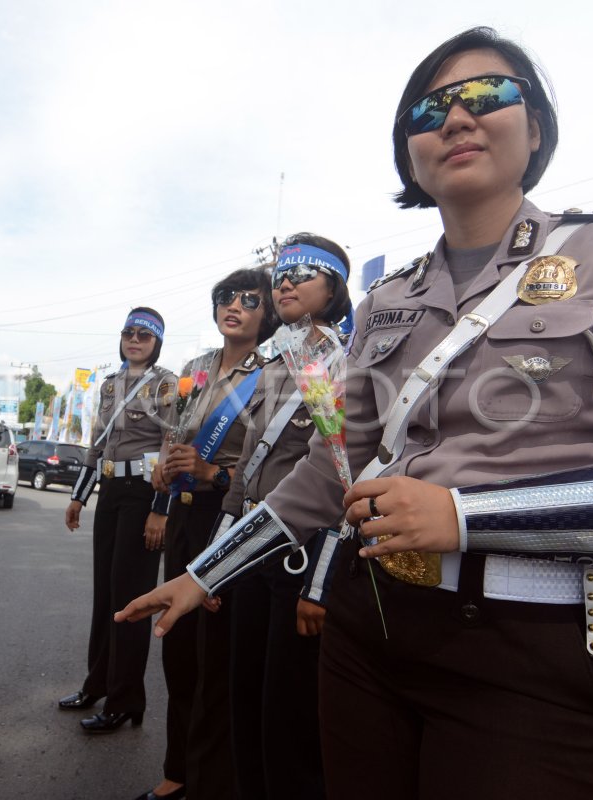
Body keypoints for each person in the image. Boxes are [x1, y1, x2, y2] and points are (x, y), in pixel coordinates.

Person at [117, 26, 593, 800]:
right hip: (370, 627)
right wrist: (202, 573)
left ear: (536, 128)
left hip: (526, 651)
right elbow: (334, 468)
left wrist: (465, 517)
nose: (456, 118)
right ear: (409, 153)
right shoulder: (392, 298)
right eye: (429, 109)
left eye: (488, 95)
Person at [219, 233, 353, 800]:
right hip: (250, 546)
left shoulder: (337, 362)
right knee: (242, 699)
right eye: (281, 274)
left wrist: (320, 583)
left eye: (304, 273)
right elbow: (249, 466)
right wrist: (216, 560)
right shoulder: (276, 359)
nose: (286, 283)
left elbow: (344, 476)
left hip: (297, 558)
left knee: (288, 717)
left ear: (335, 287)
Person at [136, 267, 278, 800]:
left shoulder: (274, 372)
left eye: (248, 299)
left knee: (216, 658)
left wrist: (211, 473)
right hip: (184, 516)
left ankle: (211, 780)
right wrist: (161, 485)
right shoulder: (194, 368)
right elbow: (175, 436)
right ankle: (178, 770)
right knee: (178, 652)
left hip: (232, 518)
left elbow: (269, 464)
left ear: (265, 313)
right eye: (225, 298)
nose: (233, 306)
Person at [58, 308, 177, 735]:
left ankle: (127, 699)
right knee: (105, 595)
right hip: (109, 492)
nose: (135, 339)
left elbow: (171, 446)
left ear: (157, 342)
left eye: (145, 335)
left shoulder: (166, 383)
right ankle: (97, 685)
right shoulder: (109, 385)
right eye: (129, 333)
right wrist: (78, 496)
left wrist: (161, 509)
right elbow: (98, 442)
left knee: (131, 600)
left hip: (143, 495)